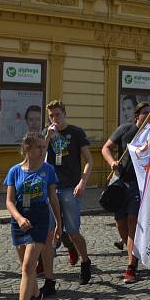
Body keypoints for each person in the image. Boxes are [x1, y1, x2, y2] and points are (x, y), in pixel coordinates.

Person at [4, 132, 62, 300]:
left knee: (29, 265)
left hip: (39, 218)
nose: (42, 149)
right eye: (38, 146)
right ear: (28, 148)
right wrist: (19, 218)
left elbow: (53, 198)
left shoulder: (48, 170)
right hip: (20, 219)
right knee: (25, 268)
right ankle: (35, 295)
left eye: (43, 146)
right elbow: (9, 201)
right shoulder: (14, 171)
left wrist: (59, 223)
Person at [101, 101, 150, 284]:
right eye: (144, 113)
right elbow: (105, 148)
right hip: (120, 184)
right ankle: (133, 253)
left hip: (138, 185)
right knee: (120, 223)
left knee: (132, 222)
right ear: (137, 115)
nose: (148, 115)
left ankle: (131, 266)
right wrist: (112, 162)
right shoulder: (125, 129)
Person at [45, 100, 93, 284]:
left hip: (70, 188)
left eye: (57, 114)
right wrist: (47, 138)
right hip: (52, 187)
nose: (54, 118)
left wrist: (82, 182)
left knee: (72, 231)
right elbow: (39, 159)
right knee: (49, 232)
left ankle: (85, 261)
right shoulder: (47, 133)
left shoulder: (76, 132)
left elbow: (89, 160)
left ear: (64, 113)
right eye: (51, 116)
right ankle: (49, 275)